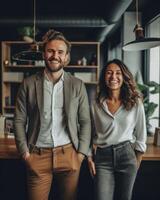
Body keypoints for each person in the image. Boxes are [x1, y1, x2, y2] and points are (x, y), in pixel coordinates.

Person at [14, 29, 91, 200]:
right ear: (44, 54)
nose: (55, 55)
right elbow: (19, 120)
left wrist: (81, 155)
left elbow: (85, 121)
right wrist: (25, 154)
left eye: (60, 52)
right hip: (37, 155)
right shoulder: (28, 84)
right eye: (50, 51)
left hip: (69, 155)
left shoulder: (77, 85)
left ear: (66, 57)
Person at [88, 59, 147, 200]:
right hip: (103, 158)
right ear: (104, 78)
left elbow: (141, 134)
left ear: (124, 77)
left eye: (118, 73)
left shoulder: (135, 102)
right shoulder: (96, 104)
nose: (113, 77)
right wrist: (89, 158)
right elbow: (89, 133)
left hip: (127, 155)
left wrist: (136, 161)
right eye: (109, 73)